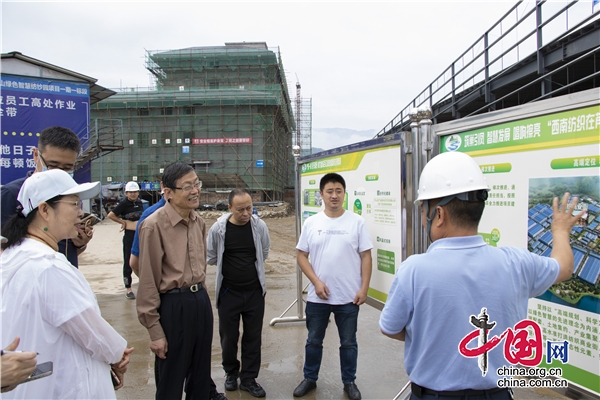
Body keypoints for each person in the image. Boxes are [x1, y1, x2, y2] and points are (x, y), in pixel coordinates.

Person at [379, 151, 584, 400]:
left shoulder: (413, 270)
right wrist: (560, 229)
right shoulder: (516, 263)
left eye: (424, 210)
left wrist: (430, 334)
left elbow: (390, 327)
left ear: (439, 215)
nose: (424, 219)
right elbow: (564, 267)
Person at [0, 169, 133, 399]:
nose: (81, 213)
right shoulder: (48, 266)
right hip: (61, 387)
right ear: (44, 210)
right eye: (74, 204)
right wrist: (118, 355)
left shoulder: (13, 254)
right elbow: (91, 330)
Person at [130, 186, 226, 400]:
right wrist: (155, 331)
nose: (195, 191)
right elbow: (147, 281)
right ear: (168, 192)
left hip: (199, 300)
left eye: (197, 184)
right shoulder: (153, 225)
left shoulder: (198, 222)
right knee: (171, 380)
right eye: (187, 186)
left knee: (200, 376)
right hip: (173, 304)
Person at [293, 173, 373, 400]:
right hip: (319, 297)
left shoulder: (356, 222)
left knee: (348, 343)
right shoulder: (312, 223)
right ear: (321, 195)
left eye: (339, 191)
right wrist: (316, 282)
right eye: (329, 191)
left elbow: (366, 257)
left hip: (349, 297)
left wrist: (364, 288)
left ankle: (349, 382)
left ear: (344, 194)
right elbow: (301, 256)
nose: (334, 195)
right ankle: (310, 378)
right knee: (313, 341)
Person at [207, 189, 270, 398]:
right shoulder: (219, 229)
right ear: (229, 208)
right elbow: (212, 256)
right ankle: (231, 373)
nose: (246, 213)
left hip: (254, 292)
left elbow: (265, 251)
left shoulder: (259, 226)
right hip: (229, 292)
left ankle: (249, 378)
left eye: (249, 208)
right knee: (228, 337)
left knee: (253, 336)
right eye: (240, 209)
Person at [0, 126, 92, 268]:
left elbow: (64, 249)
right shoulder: (11, 195)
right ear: (36, 155)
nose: (59, 173)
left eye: (67, 168)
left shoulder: (71, 192)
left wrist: (80, 244)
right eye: (52, 165)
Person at [107, 181, 143, 299]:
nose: (133, 194)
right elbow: (111, 215)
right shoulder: (123, 204)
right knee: (128, 261)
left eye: (135, 192)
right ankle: (128, 288)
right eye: (130, 192)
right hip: (129, 236)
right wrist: (122, 222)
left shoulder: (140, 203)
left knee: (142, 261)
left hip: (140, 236)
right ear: (126, 193)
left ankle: (144, 284)